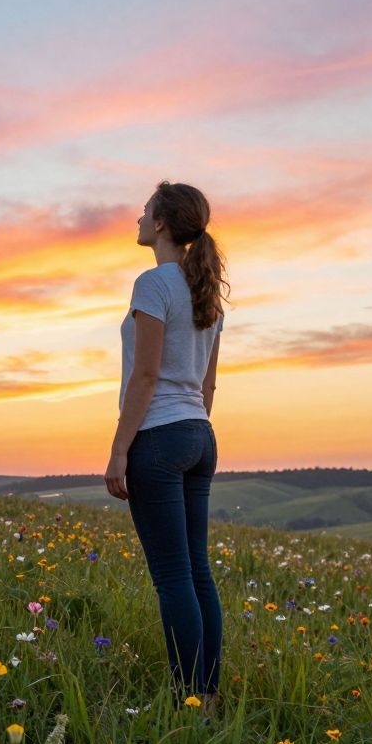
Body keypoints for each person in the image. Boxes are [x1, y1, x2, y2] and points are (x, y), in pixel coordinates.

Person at [104, 179, 229, 716]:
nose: (137, 218)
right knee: (197, 572)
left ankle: (188, 700)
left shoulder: (153, 284)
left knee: (174, 577)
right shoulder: (206, 293)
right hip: (199, 435)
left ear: (160, 224)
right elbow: (208, 384)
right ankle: (209, 694)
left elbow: (146, 375)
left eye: (144, 211)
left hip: (158, 437)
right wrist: (190, 428)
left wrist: (119, 449)